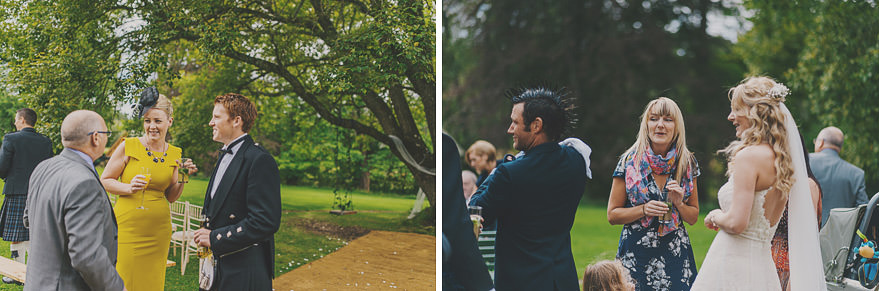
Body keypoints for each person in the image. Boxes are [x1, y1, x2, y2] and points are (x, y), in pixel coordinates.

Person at [693, 77, 826, 290]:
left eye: (736, 109)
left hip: (733, 266)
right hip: (764, 271)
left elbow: (737, 223)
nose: (730, 117)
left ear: (755, 112)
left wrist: (715, 215)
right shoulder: (784, 162)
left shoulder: (749, 157)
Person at [470, 87, 591, 290]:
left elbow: (476, 210)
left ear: (536, 125)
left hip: (521, 283)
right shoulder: (577, 160)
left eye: (515, 122)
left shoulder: (508, 174)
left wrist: (496, 172)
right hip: (563, 280)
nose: (510, 129)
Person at [100, 88, 198, 290]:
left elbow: (171, 196)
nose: (151, 126)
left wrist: (183, 175)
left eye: (157, 121)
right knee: (123, 281)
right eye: (147, 121)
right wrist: (128, 187)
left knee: (152, 283)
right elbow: (105, 180)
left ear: (169, 121)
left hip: (159, 231)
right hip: (128, 229)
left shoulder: (175, 153)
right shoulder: (129, 145)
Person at [23, 110, 126, 291]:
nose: (106, 139)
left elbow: (28, 219)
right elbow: (87, 256)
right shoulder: (85, 183)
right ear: (96, 138)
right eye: (106, 134)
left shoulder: (42, 167)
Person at [607, 97, 700, 290]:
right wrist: (644, 209)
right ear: (646, 124)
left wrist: (680, 203)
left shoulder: (687, 163)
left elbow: (693, 217)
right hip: (635, 256)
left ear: (677, 126)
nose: (660, 125)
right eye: (654, 118)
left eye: (668, 119)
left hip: (675, 256)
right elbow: (613, 215)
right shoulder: (629, 161)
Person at [192, 93, 281, 290]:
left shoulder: (259, 160)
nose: (210, 123)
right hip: (219, 267)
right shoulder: (226, 155)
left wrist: (215, 237)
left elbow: (265, 221)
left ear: (236, 121)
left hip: (243, 270)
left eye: (216, 117)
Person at [0, 108, 53, 284]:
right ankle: (33, 273)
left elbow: (2, 168)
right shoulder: (45, 141)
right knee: (34, 233)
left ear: (22, 119)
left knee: (16, 235)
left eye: (16, 119)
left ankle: (17, 273)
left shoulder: (11, 138)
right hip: (39, 192)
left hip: (16, 192)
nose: (15, 122)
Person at [771, 133, 823, 290]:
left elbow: (806, 239)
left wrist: (795, 280)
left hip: (789, 269)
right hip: (768, 266)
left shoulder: (807, 185)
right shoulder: (776, 183)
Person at [442, 134, 494, 291]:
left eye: (474, 159)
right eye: (470, 160)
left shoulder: (500, 172)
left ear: (485, 156)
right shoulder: (481, 177)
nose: (471, 164)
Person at [810, 126, 867, 226]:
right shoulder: (856, 174)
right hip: (842, 238)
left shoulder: (805, 162)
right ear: (839, 148)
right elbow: (865, 213)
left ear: (821, 142)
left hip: (808, 234)